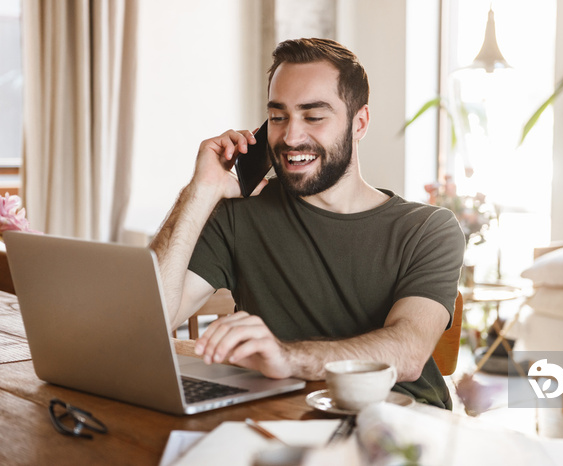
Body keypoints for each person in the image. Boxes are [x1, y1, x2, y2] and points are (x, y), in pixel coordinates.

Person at [150, 38, 465, 409]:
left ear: (359, 123)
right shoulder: (239, 218)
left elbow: (408, 352)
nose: (291, 136)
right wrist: (200, 191)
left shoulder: (427, 228)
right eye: (279, 116)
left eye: (313, 116)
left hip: (400, 426)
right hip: (282, 419)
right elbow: (151, 318)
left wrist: (286, 358)